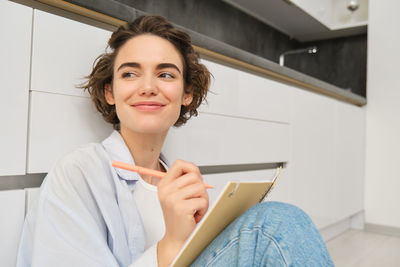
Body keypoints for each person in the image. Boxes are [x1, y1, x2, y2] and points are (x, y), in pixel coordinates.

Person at [17, 15, 334, 267]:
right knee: (274, 224)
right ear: (109, 92)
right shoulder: (78, 172)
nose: (148, 87)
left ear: (187, 93)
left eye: (166, 75)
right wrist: (172, 242)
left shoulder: (179, 180)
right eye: (129, 74)